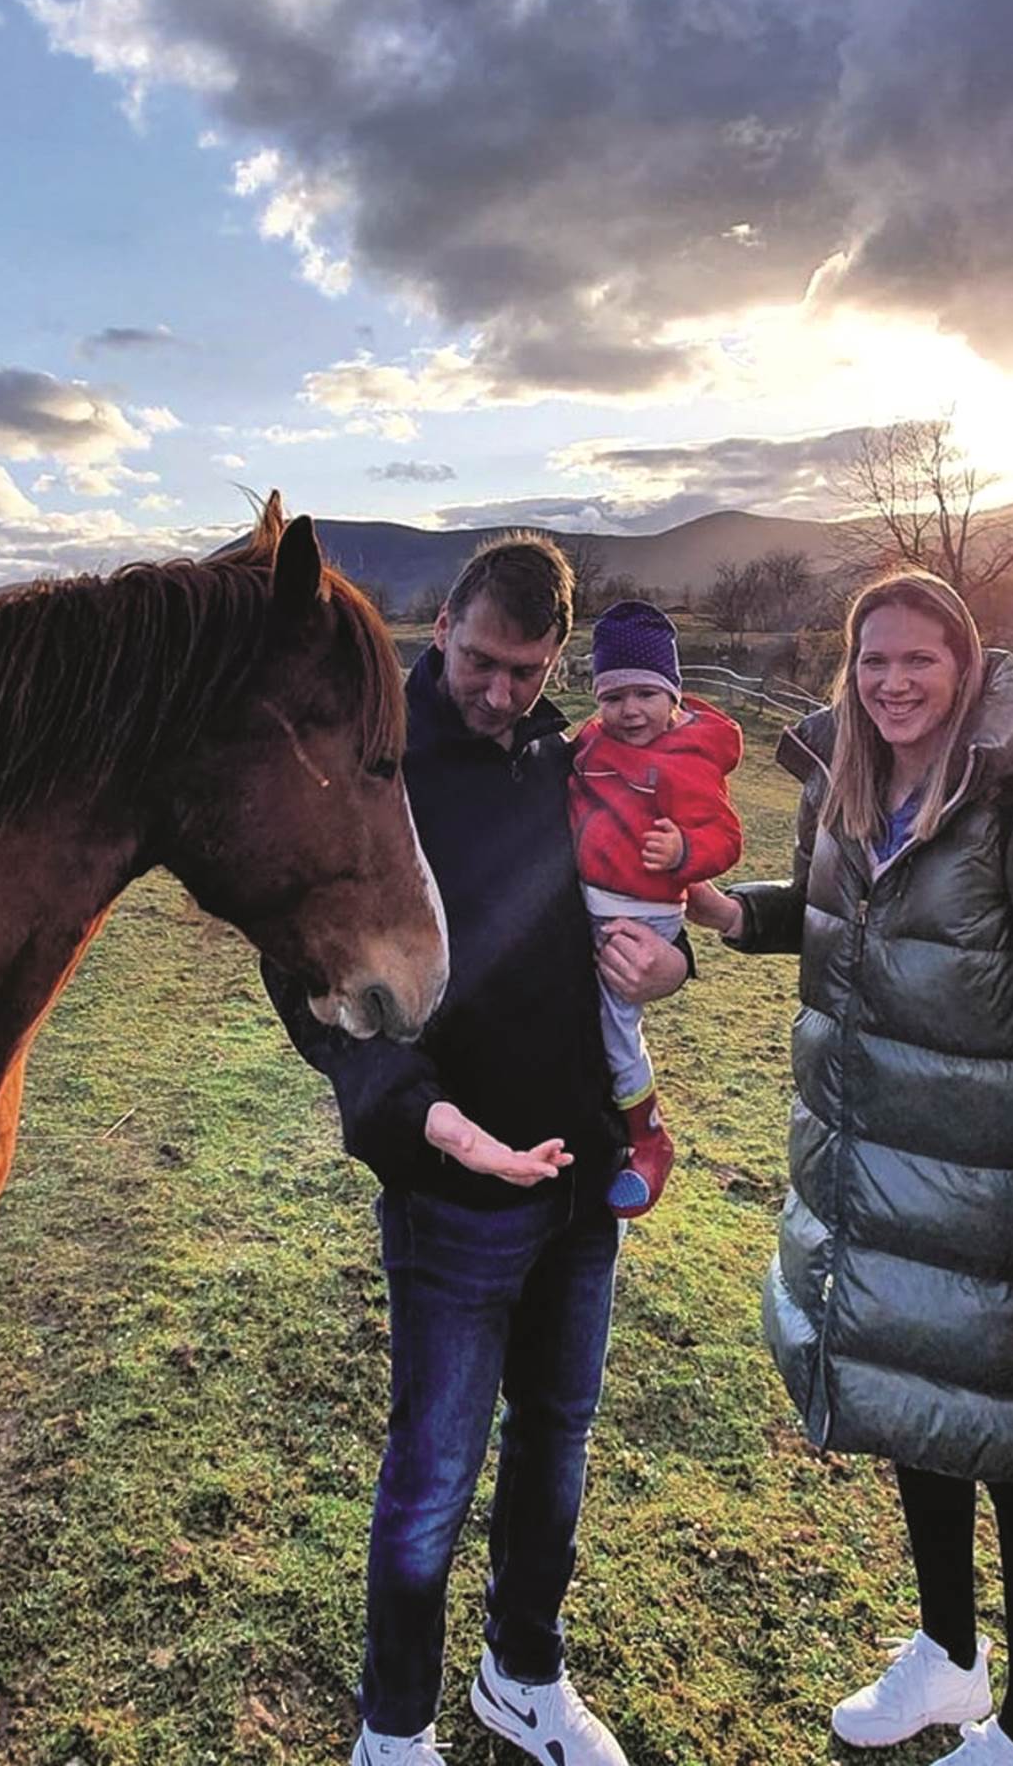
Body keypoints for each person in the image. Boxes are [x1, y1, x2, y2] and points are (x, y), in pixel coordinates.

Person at [688, 568, 1013, 1766]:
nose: (893, 683)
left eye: (919, 660)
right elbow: (834, 916)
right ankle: (949, 1656)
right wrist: (742, 917)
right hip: (882, 1179)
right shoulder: (845, 779)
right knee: (917, 1417)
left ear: (966, 663)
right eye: (874, 660)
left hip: (1004, 1203)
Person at [263, 534, 691, 1766]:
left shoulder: (571, 759)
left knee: (556, 1442)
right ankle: (395, 1731)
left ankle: (521, 1676)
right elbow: (304, 977)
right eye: (483, 663)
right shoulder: (375, 763)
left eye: (528, 671)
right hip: (453, 1189)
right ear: (443, 624)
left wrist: (672, 964)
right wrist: (416, 1114)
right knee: (434, 1475)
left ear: (558, 658)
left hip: (581, 1184)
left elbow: (634, 907)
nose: (502, 694)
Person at [567, 598, 742, 1218]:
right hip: (589, 899)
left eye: (646, 694)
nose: (630, 710)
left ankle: (649, 1139)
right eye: (614, 697)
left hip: (640, 913)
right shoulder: (593, 739)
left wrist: (685, 850)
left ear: (673, 695)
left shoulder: (686, 760)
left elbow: (726, 837)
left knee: (614, 1025)